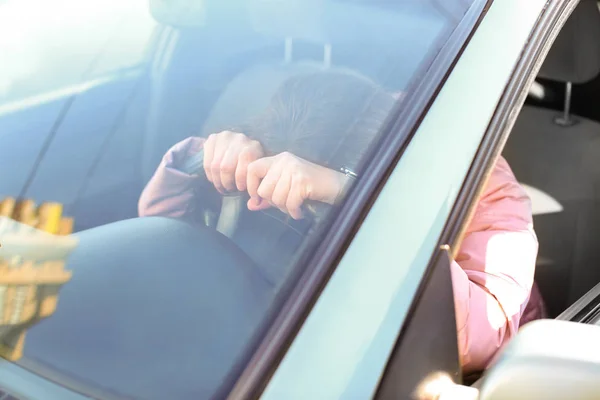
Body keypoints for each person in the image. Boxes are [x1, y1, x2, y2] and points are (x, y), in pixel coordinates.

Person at [138, 70, 543, 373]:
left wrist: (352, 196)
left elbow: (483, 333)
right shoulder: (286, 135)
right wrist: (204, 160)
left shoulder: (478, 176)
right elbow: (162, 250)